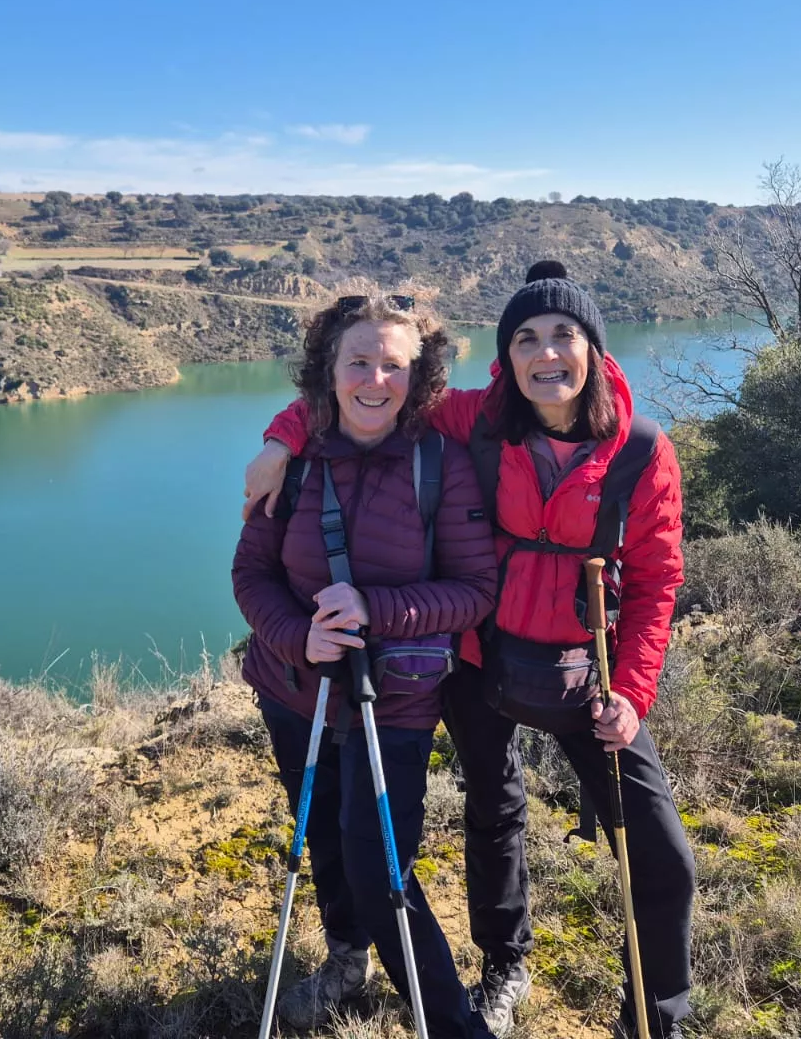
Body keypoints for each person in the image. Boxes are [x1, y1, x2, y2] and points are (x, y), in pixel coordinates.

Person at [244, 261, 695, 1039]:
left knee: (661, 854)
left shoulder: (639, 451)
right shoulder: (475, 420)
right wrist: (278, 441)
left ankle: (656, 1018)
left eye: (563, 336)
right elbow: (358, 393)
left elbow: (656, 579)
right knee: (493, 809)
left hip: (586, 672)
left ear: (593, 348)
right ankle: (503, 965)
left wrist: (634, 690)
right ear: (506, 356)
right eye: (527, 338)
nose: (546, 354)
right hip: (479, 664)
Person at [233, 286, 498, 1038]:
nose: (374, 380)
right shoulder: (291, 464)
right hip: (294, 692)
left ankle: (450, 1023)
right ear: (330, 368)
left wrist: (375, 612)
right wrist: (298, 637)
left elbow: (477, 591)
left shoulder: (438, 466)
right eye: (359, 361)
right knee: (319, 836)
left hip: (398, 705)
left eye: (393, 365)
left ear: (419, 377)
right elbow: (249, 574)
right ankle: (346, 961)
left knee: (381, 865)